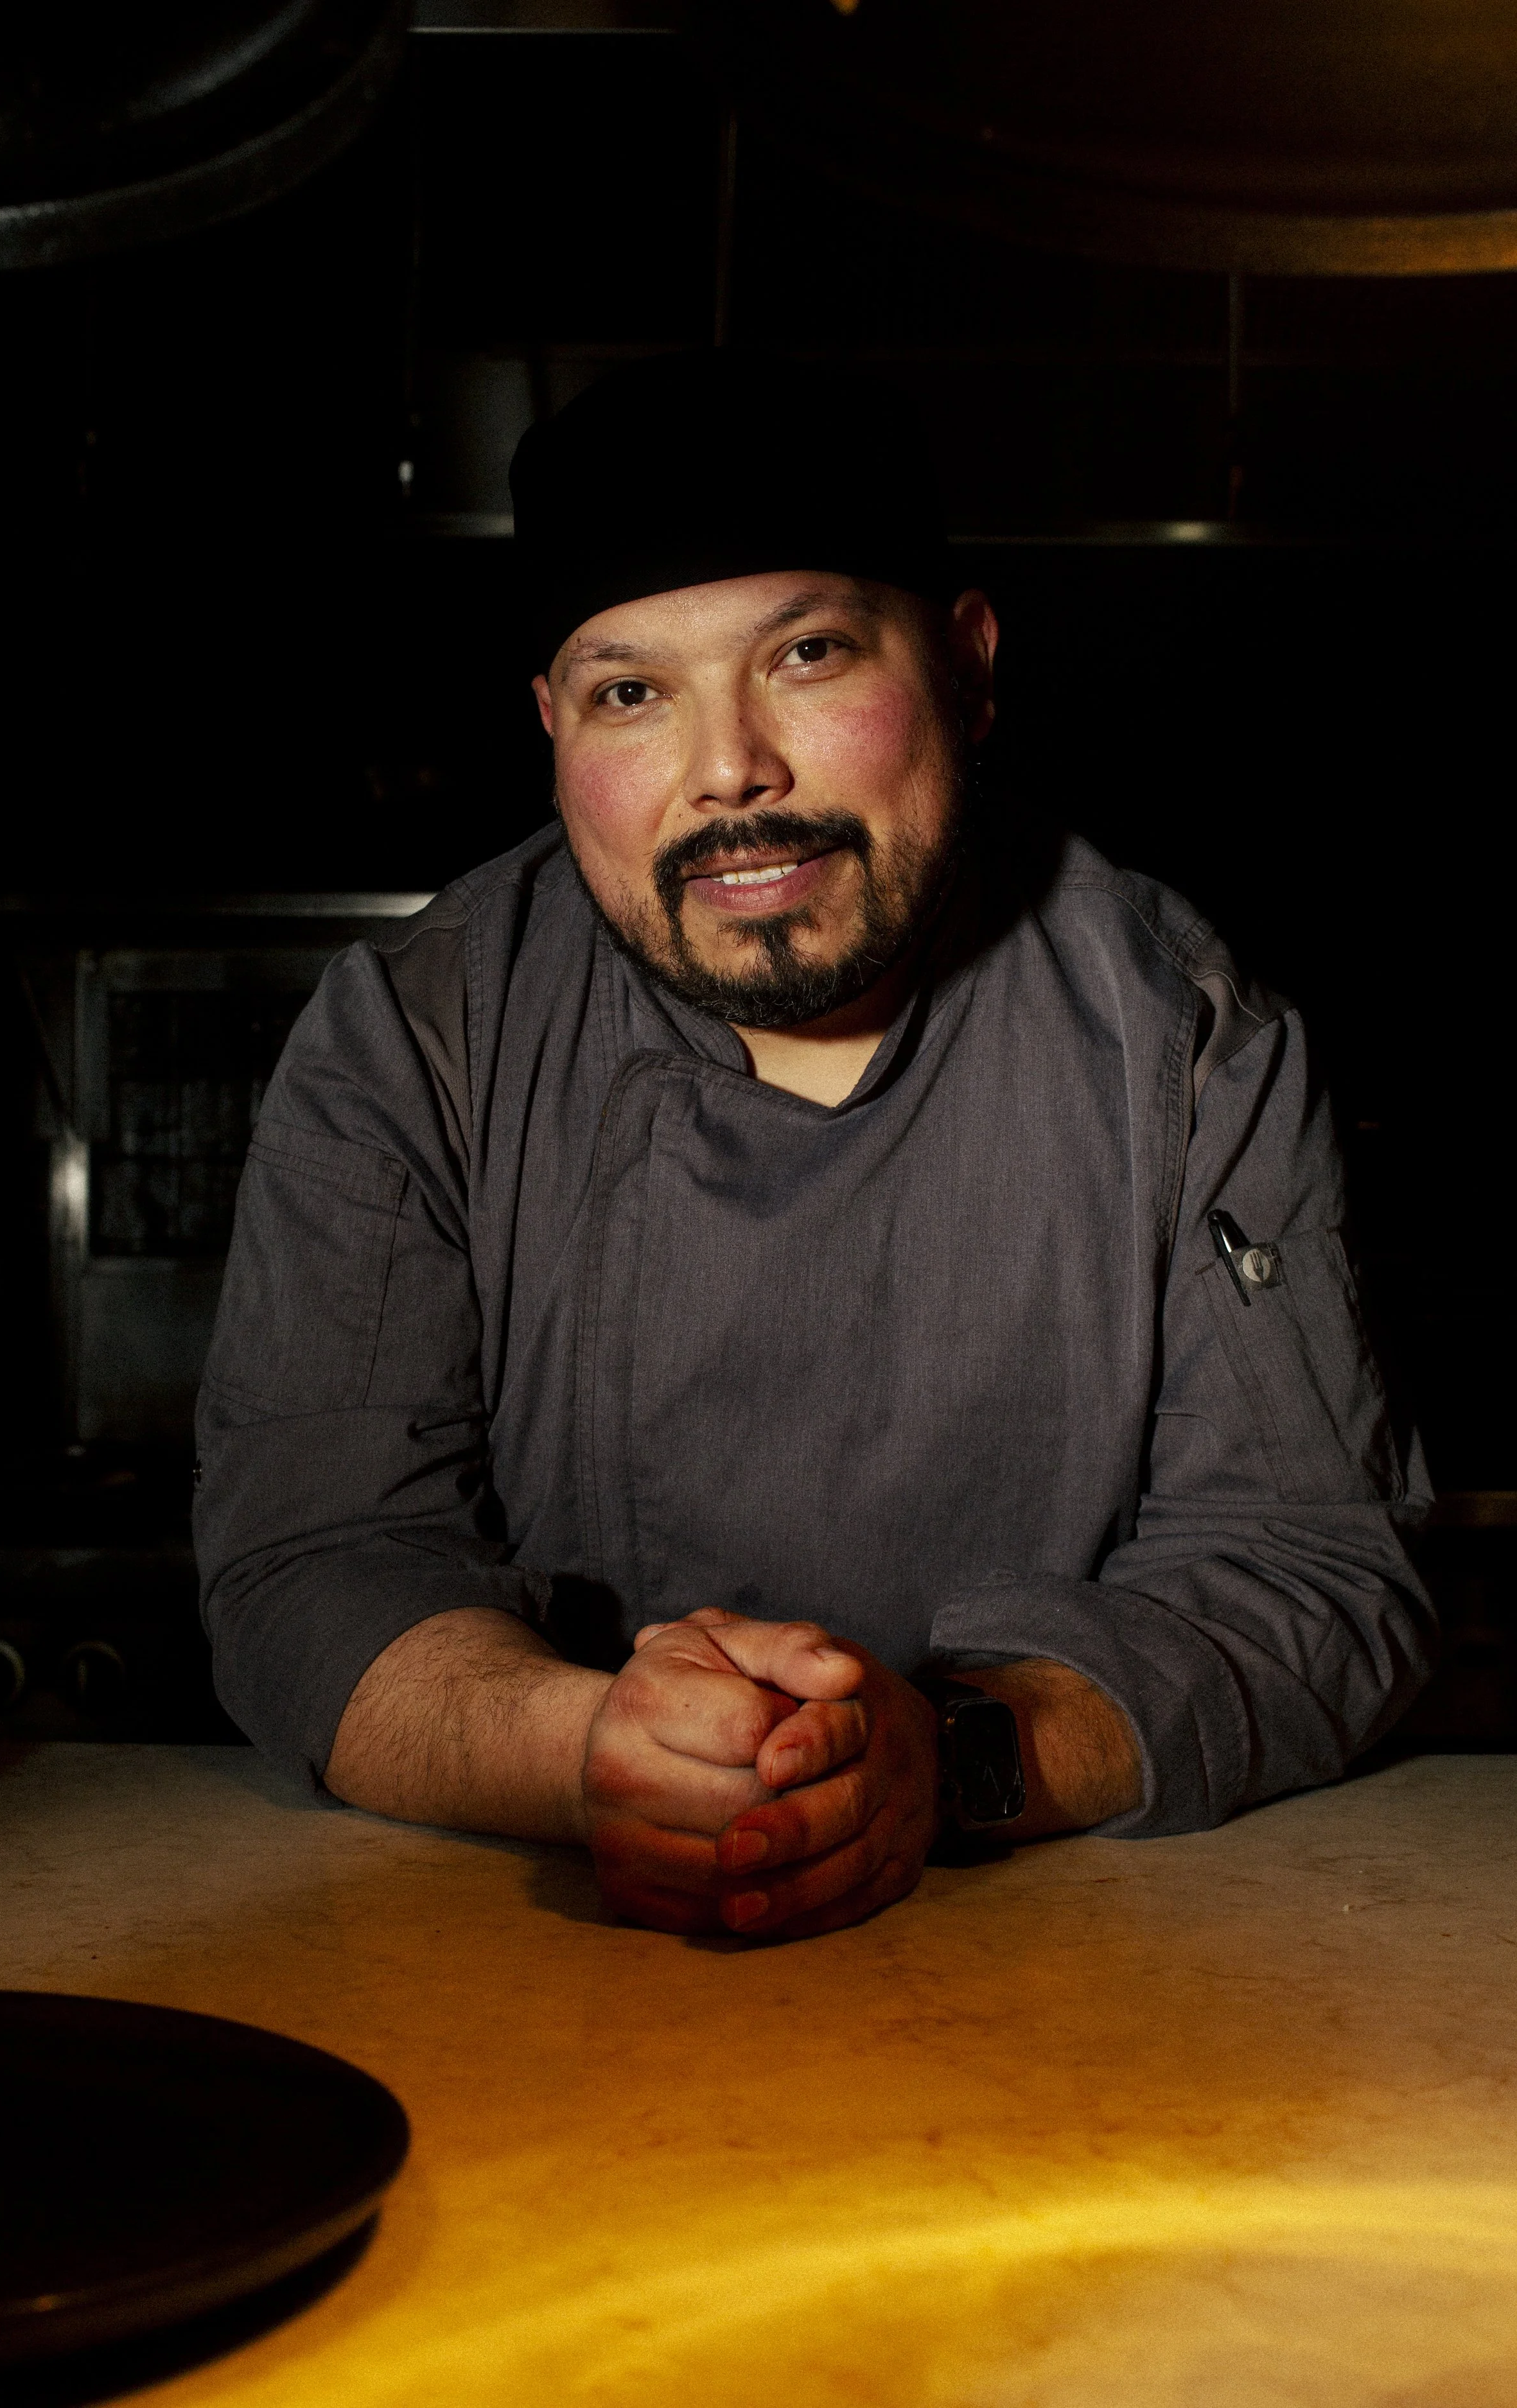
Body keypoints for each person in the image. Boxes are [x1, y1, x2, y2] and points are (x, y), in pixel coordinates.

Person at [193, 353, 1434, 1941]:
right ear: (549, 726)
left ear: (970, 669)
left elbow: (1310, 1569)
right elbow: (309, 1565)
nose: (729, 773)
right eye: (630, 692)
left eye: (809, 654)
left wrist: (959, 1753)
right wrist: (589, 1756)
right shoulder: (414, 1039)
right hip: (541, 1978)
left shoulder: (1182, 1034)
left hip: (1077, 1976)